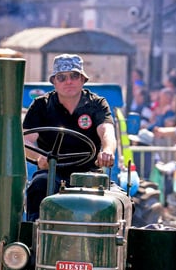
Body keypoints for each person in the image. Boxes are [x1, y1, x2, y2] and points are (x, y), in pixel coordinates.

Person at [23, 54, 116, 221]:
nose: (69, 81)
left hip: (89, 173)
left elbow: (106, 130)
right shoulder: (41, 105)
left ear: (82, 79)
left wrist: (107, 149)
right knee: (39, 185)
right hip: (52, 172)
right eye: (62, 77)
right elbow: (26, 141)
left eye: (74, 76)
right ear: (54, 81)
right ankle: (34, 237)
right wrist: (39, 157)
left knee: (114, 203)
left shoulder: (96, 103)